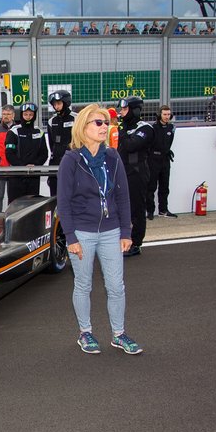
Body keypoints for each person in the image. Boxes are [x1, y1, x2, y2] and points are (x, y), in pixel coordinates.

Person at [57, 104, 141, 355]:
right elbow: (63, 202)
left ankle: (119, 334)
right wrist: (70, 237)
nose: (104, 127)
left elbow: (123, 196)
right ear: (83, 127)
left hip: (111, 230)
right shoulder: (71, 160)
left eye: (106, 123)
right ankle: (85, 333)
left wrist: (126, 232)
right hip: (81, 232)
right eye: (98, 123)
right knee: (83, 285)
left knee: (116, 286)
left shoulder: (113, 157)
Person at [117, 96, 153, 256]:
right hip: (121, 172)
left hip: (137, 174)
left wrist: (122, 131)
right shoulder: (120, 127)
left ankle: (135, 243)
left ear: (134, 110)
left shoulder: (145, 128)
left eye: (125, 109)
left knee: (136, 209)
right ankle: (122, 240)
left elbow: (131, 146)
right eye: (121, 109)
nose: (121, 112)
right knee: (120, 209)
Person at [4, 103, 48, 202]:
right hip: (17, 175)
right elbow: (9, 154)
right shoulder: (13, 131)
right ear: (21, 115)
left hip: (33, 175)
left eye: (31, 115)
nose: (28, 117)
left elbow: (44, 153)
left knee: (32, 205)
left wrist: (35, 164)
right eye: (25, 114)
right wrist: (23, 166)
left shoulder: (39, 132)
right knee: (15, 205)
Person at [147, 105, 177, 219]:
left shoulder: (171, 128)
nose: (166, 117)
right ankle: (150, 211)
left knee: (165, 187)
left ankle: (163, 210)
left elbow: (169, 142)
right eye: (164, 114)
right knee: (151, 187)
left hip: (165, 160)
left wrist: (168, 151)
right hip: (153, 160)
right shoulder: (153, 128)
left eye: (168, 114)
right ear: (159, 114)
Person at [46, 90, 77, 196]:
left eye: (59, 103)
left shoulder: (76, 118)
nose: (56, 107)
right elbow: (51, 144)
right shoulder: (51, 121)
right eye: (54, 104)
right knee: (55, 193)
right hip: (56, 162)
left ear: (66, 102)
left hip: (73, 161)